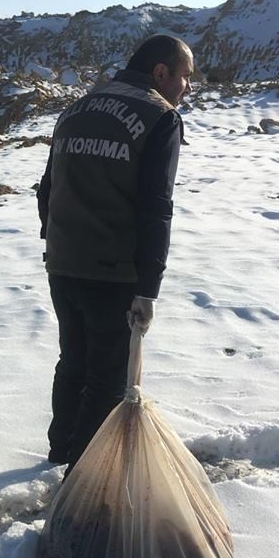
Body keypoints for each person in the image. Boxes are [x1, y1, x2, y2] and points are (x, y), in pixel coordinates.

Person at [36, 34, 193, 472]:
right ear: (160, 72)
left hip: (63, 263)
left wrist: (56, 239)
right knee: (106, 378)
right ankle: (81, 480)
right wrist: (148, 286)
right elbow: (156, 206)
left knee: (73, 361)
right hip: (113, 270)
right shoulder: (160, 117)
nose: (187, 87)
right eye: (185, 76)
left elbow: (47, 189)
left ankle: (60, 450)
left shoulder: (75, 109)